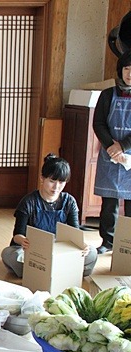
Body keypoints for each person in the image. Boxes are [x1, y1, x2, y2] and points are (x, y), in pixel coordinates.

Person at [1, 154, 97, 277]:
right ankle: (57, 271)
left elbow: (75, 232)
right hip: (33, 251)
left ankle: (42, 272)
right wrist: (24, 241)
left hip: (59, 249)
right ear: (42, 178)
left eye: (61, 182)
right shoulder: (28, 201)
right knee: (9, 254)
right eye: (52, 181)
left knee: (92, 253)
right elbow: (17, 235)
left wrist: (82, 245)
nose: (56, 187)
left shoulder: (69, 201)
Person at [93, 50, 131, 255]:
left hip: (129, 156)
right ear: (120, 70)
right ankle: (107, 242)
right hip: (109, 155)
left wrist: (123, 146)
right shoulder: (107, 94)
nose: (130, 74)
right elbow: (98, 123)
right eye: (126, 68)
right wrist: (111, 146)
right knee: (109, 203)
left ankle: (128, 244)